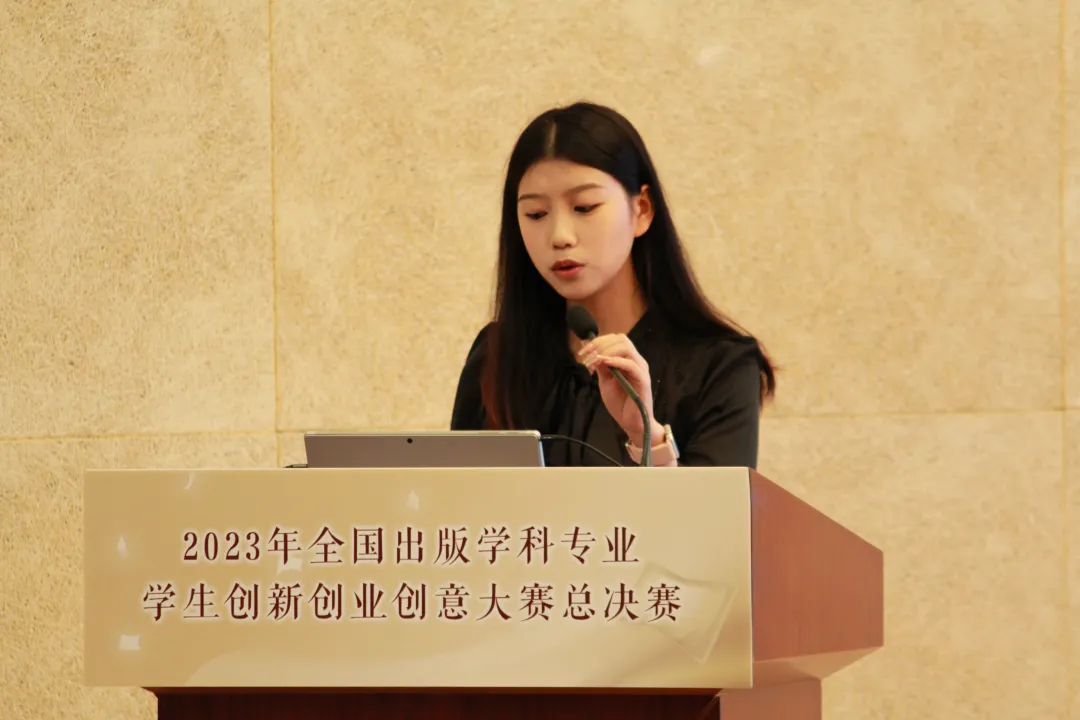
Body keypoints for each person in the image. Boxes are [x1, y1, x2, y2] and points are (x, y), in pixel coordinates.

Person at [450, 101, 776, 468]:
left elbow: (722, 505)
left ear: (643, 210)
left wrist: (646, 437)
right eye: (536, 214)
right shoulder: (496, 355)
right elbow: (453, 498)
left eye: (585, 207)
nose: (560, 236)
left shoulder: (720, 364)